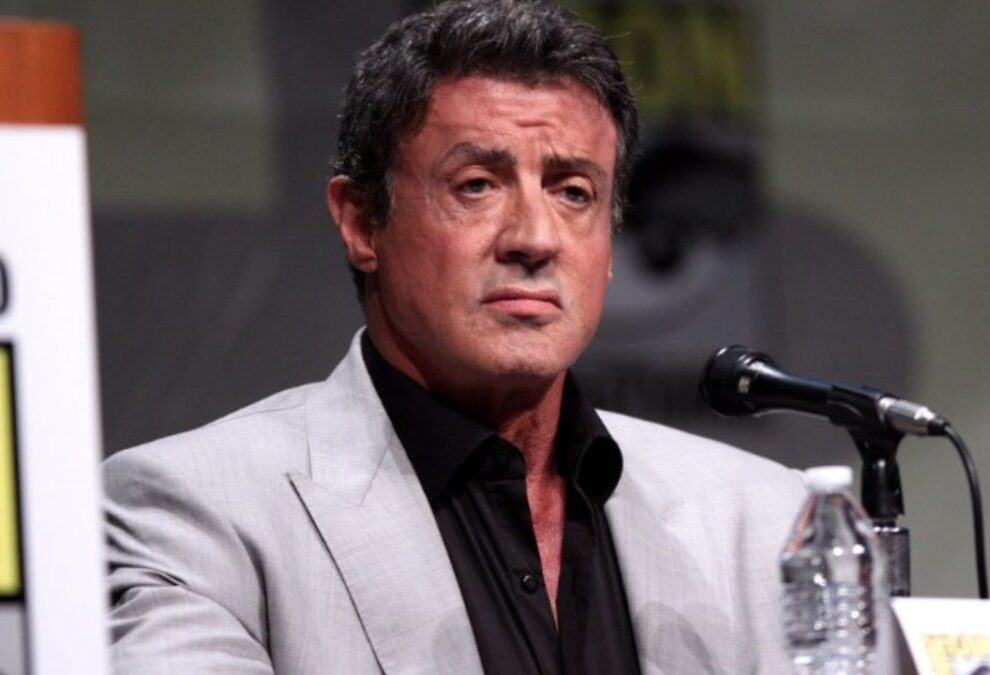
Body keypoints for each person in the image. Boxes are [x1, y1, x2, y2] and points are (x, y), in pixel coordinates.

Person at [104, 1, 808, 673]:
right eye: (477, 185)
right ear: (362, 223)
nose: (535, 238)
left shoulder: (764, 520)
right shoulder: (195, 513)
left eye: (573, 192)